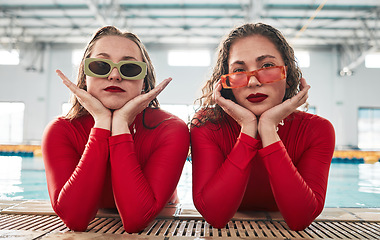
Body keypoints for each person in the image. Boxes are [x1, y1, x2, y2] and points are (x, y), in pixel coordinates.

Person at [42, 26, 190, 233]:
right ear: (85, 78)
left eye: (129, 69)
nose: (114, 76)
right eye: (101, 66)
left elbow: (136, 220)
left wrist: (120, 125)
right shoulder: (61, 130)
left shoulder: (169, 129)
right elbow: (75, 219)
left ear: (144, 84)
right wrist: (102, 122)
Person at [190, 23, 335, 231]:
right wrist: (248, 128)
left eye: (267, 66)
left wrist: (268, 128)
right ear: (226, 84)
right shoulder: (208, 124)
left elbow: (300, 218)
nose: (253, 82)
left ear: (288, 75)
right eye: (239, 70)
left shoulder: (317, 131)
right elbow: (215, 216)